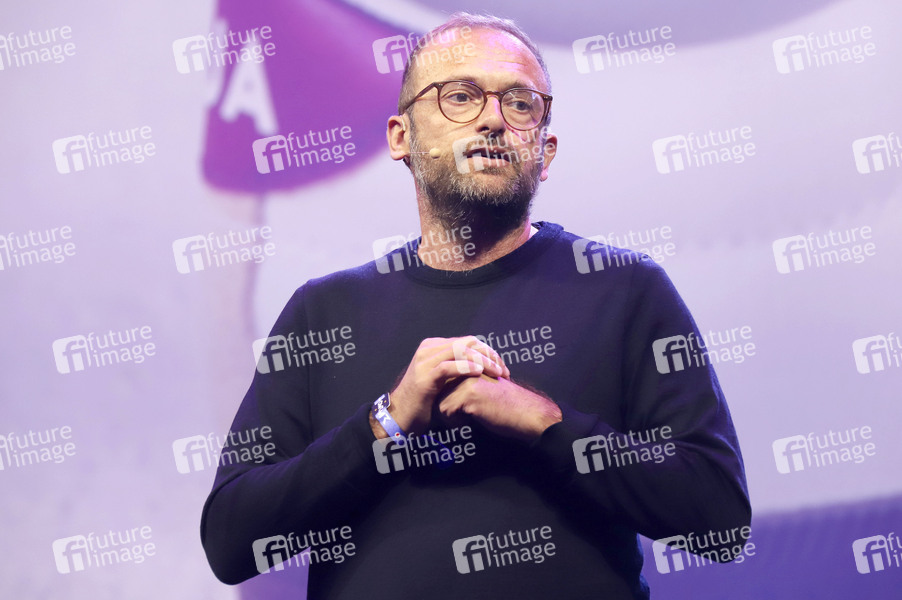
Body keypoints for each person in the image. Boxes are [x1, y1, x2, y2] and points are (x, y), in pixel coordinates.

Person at [201, 13, 751, 599]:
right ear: (401, 137)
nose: (493, 119)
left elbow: (719, 518)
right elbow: (232, 541)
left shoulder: (625, 290)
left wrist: (543, 423)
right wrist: (386, 423)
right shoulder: (324, 314)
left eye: (520, 103)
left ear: (546, 151)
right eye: (460, 96)